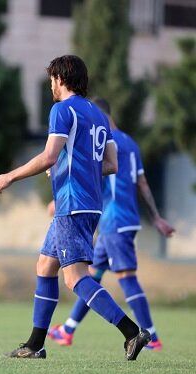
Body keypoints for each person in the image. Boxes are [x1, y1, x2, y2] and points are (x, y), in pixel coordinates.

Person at [0, 55, 150, 360]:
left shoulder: (62, 110)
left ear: (60, 79)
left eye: (51, 79)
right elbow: (111, 165)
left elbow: (50, 156)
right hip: (89, 204)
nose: (51, 85)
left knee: (75, 277)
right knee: (45, 266)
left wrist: (10, 175)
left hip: (72, 203)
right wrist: (71, 166)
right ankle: (35, 344)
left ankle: (132, 332)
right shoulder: (99, 116)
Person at [48, 98, 174, 351]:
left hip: (114, 220)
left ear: (101, 116)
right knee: (90, 276)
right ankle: (68, 329)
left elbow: (89, 172)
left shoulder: (102, 139)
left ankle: (152, 336)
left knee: (127, 278)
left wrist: (59, 194)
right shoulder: (131, 143)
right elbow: (143, 183)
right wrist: (156, 216)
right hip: (121, 221)